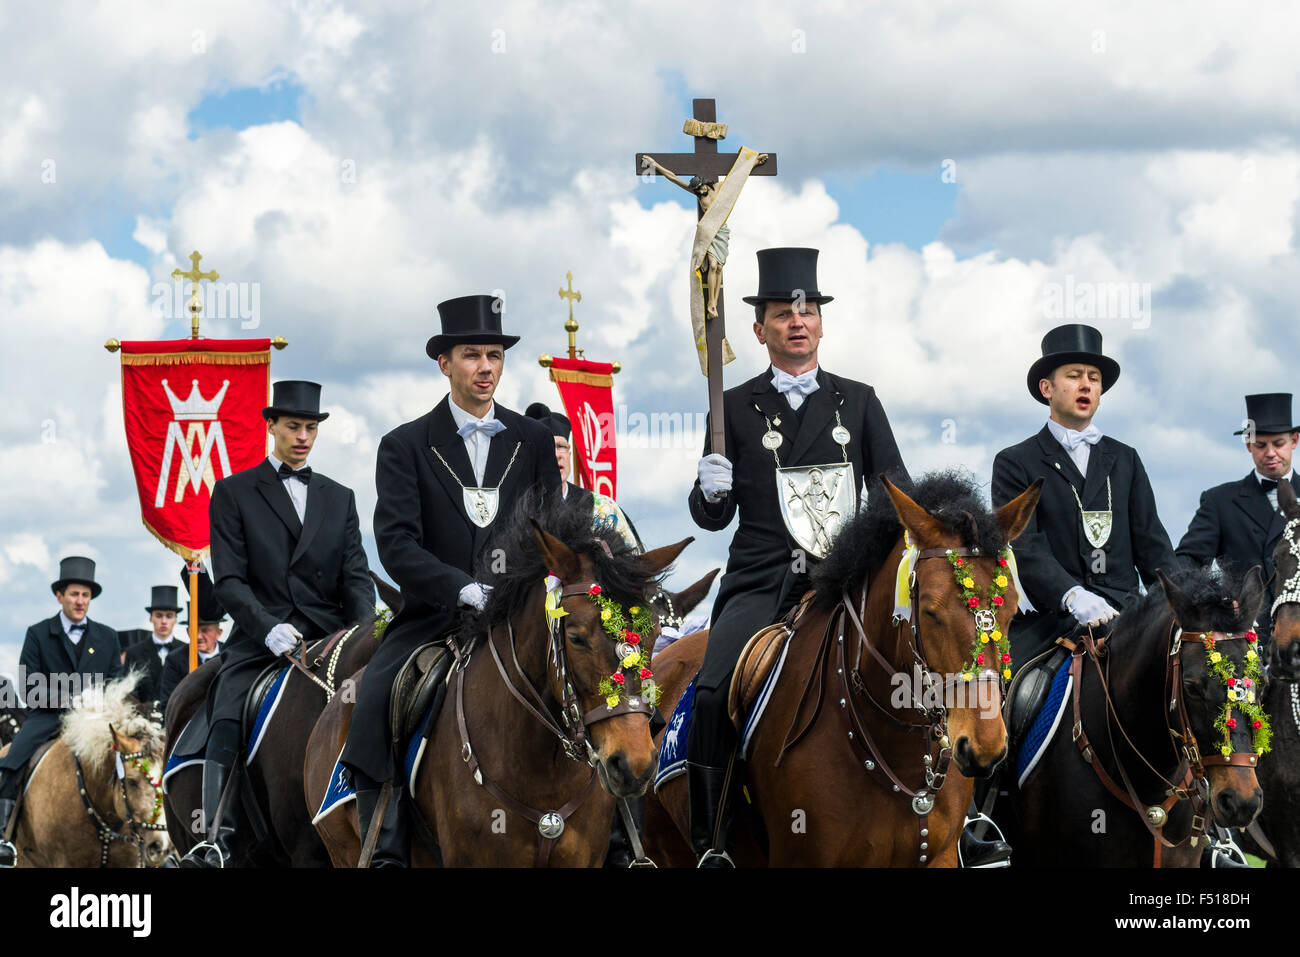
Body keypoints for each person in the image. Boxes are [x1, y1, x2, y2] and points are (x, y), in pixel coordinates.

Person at [685, 247, 908, 866]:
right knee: (709, 692)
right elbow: (710, 518)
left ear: (821, 322)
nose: (796, 321)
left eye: (806, 310)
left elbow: (897, 495)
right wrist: (708, 490)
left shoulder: (859, 401)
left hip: (847, 582)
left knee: (933, 669)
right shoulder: (731, 406)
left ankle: (957, 816)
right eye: (782, 313)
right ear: (759, 330)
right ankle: (714, 839)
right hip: (762, 582)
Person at [340, 295, 561, 867]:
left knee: (599, 692)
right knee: (376, 703)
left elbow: (550, 530)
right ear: (444, 363)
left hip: (518, 616)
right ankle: (385, 847)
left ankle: (617, 844)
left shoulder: (534, 441)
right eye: (471, 355)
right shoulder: (405, 445)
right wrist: (461, 587)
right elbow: (396, 544)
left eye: (494, 355)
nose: (485, 366)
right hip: (436, 615)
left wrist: (533, 589)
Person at [180, 380, 375, 867]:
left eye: (311, 427)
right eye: (293, 427)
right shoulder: (233, 492)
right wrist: (266, 626)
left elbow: (355, 576)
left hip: (329, 638)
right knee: (226, 709)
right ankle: (215, 835)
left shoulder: (340, 497)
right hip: (259, 641)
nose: (303, 436)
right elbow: (227, 578)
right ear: (271, 427)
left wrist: (369, 633)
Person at [991, 324, 1176, 666]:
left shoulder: (1126, 458)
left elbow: (1153, 544)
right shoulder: (1015, 462)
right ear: (1047, 388)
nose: (1086, 384)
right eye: (1074, 375)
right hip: (1052, 619)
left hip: (1126, 614)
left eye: (1093, 377)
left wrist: (1189, 602)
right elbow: (1024, 546)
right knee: (1008, 694)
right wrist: (1071, 594)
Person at [0, 556, 122, 867]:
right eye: (73, 594)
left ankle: (142, 834)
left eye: (85, 595)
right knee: (11, 763)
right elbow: (29, 688)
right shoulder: (38, 633)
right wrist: (72, 699)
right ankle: (4, 837)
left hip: (95, 721)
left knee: (133, 764)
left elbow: (116, 684)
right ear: (60, 596)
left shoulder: (107, 636)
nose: (80, 601)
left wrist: (97, 703)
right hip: (47, 718)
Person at [1177, 393, 1300, 645]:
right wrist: (1214, 599)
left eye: (1278, 443)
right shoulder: (1219, 501)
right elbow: (1186, 562)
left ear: (1294, 441)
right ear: (1248, 445)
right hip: (1241, 641)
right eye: (1260, 445)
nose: (1270, 453)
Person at [525, 401, 642, 551]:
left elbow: (633, 564)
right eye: (547, 447)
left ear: (569, 454)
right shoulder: (514, 509)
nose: (556, 455)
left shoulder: (603, 508)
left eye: (561, 447)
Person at [160, 565, 227, 715]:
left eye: (205, 631)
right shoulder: (175, 660)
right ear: (187, 631)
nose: (198, 636)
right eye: (195, 631)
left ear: (219, 633)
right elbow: (167, 704)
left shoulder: (230, 655)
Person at [123, 584, 185, 704]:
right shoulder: (134, 653)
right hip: (143, 719)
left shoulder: (186, 651)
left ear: (175, 619)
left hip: (178, 717)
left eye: (169, 616)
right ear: (151, 618)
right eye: (159, 615)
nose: (163, 621)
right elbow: (129, 691)